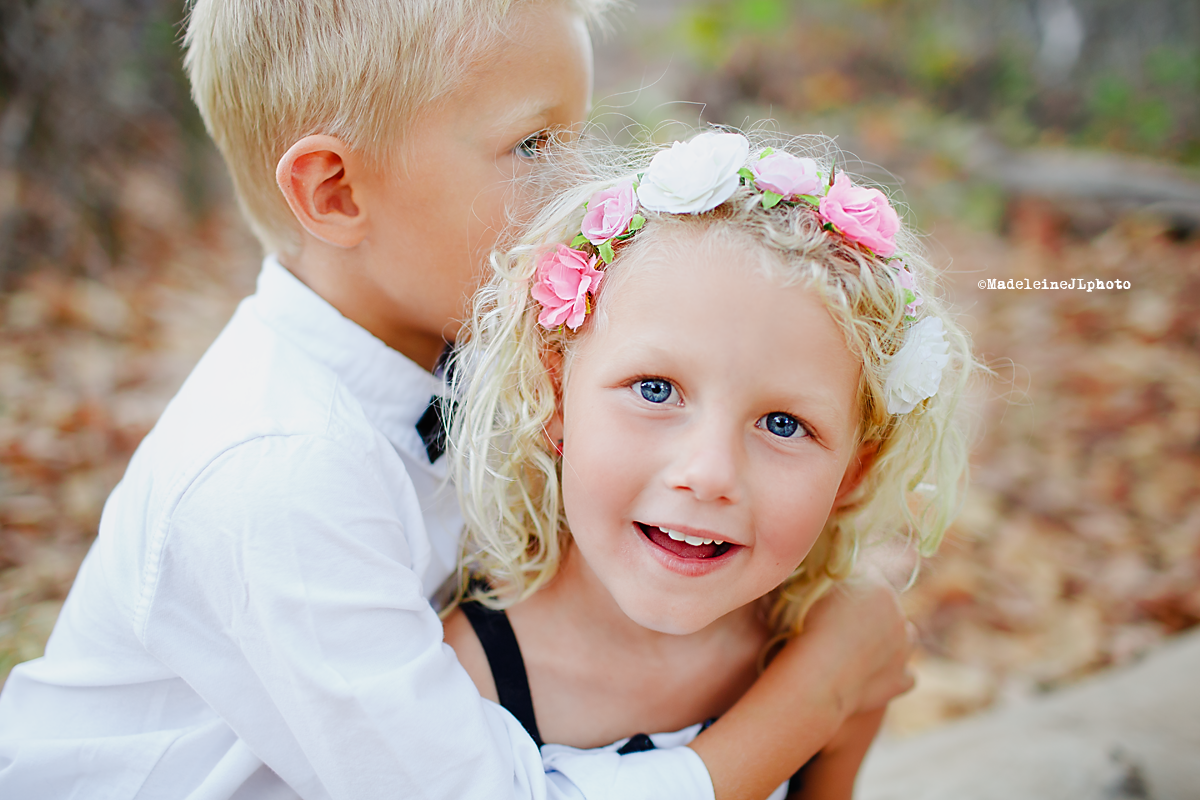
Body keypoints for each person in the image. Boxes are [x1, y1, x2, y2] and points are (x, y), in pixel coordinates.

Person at [0, 1, 913, 796]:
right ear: (336, 191)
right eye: (534, 145)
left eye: (579, 135)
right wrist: (819, 689)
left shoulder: (477, 354)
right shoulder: (276, 473)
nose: (580, 184)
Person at [442, 130, 977, 799]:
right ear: (554, 399)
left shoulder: (829, 647)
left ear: (852, 476)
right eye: (656, 390)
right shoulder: (462, 677)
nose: (710, 473)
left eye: (784, 425)